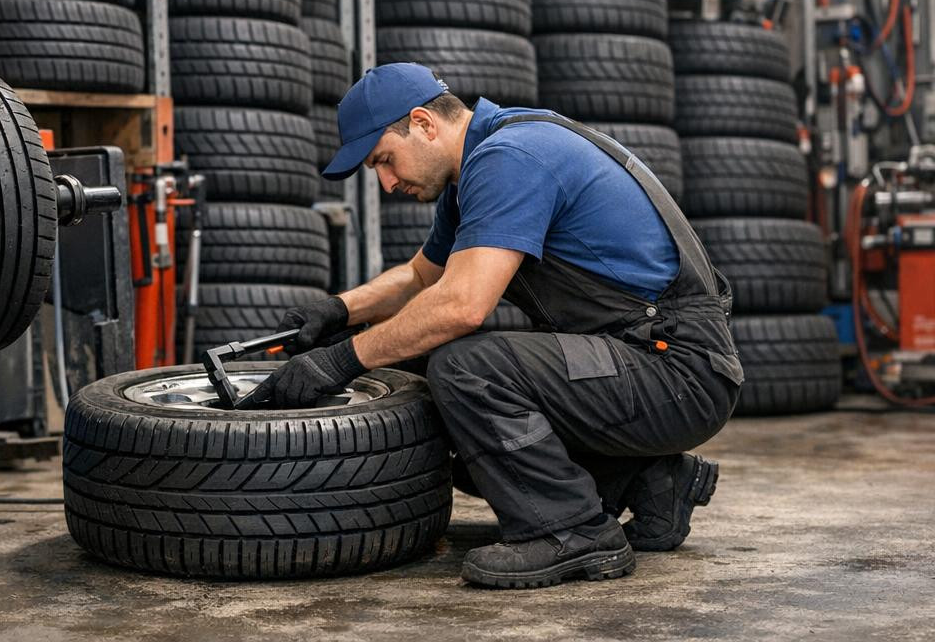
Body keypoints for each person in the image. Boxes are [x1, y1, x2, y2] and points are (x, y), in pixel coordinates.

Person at [246, 62, 744, 589]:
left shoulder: (511, 157)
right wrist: (338, 311)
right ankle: (652, 483)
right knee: (438, 403)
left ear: (423, 123)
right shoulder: (477, 169)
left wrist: (342, 360)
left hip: (678, 370)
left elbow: (462, 306)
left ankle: (573, 532)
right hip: (637, 359)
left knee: (466, 371)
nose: (387, 183)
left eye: (384, 161)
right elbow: (421, 277)